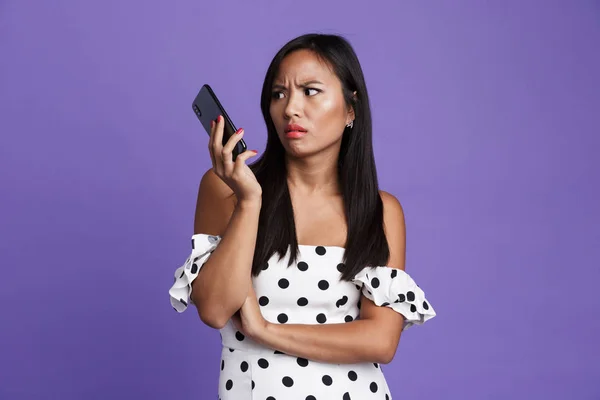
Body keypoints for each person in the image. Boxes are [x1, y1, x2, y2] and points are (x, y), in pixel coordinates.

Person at [169, 33, 436, 399]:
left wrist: (265, 331)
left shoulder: (379, 211)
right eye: (279, 94)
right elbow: (215, 309)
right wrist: (249, 201)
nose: (291, 108)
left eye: (310, 91)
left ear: (350, 109)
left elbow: (381, 341)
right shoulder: (226, 189)